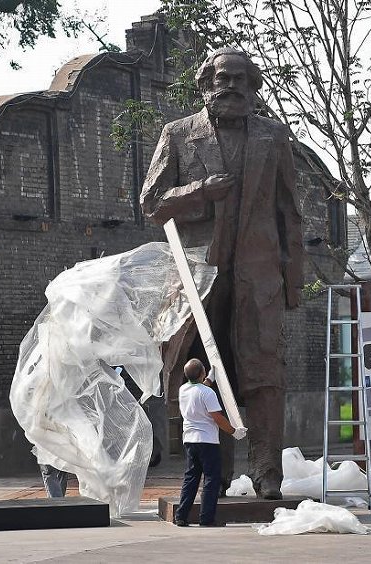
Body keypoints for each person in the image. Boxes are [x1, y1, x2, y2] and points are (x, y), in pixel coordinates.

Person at [140, 47, 305, 500]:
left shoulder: (274, 138)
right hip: (199, 276)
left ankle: (269, 472)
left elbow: (290, 211)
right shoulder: (178, 135)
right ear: (205, 85)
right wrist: (199, 192)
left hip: (259, 274)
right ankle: (217, 475)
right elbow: (151, 202)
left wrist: (292, 281)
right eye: (221, 78)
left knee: (264, 369)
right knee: (206, 370)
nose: (230, 86)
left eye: (240, 79)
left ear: (253, 87)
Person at [175, 358, 247, 527]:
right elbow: (217, 418)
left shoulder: (183, 389)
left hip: (190, 440)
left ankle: (181, 516)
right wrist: (233, 431)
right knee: (211, 480)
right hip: (207, 441)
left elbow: (198, 389)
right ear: (202, 373)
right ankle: (206, 518)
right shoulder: (208, 393)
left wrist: (209, 379)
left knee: (191, 478)